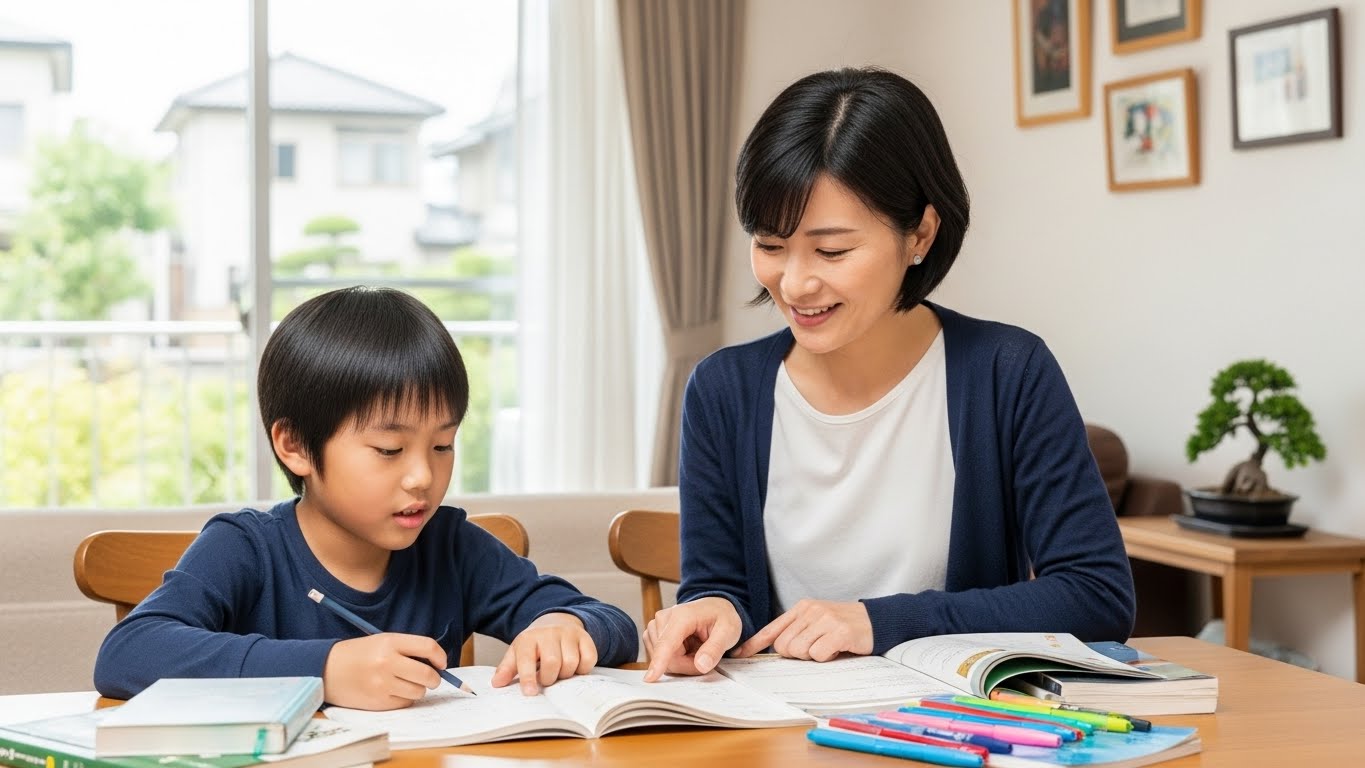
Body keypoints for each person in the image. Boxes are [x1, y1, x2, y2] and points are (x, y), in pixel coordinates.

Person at [644, 67, 1134, 682]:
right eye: (770, 244)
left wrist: (880, 621)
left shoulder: (1007, 373)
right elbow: (719, 587)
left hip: (961, 730)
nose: (794, 284)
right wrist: (709, 608)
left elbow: (1096, 595)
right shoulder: (724, 391)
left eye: (832, 251)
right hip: (781, 733)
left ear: (920, 234)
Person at [94, 287, 637, 709]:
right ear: (295, 446)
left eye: (443, 444)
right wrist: (326, 668)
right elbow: (129, 652)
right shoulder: (245, 549)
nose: (423, 476)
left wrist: (567, 626)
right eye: (388, 448)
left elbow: (612, 622)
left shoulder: (450, 546)